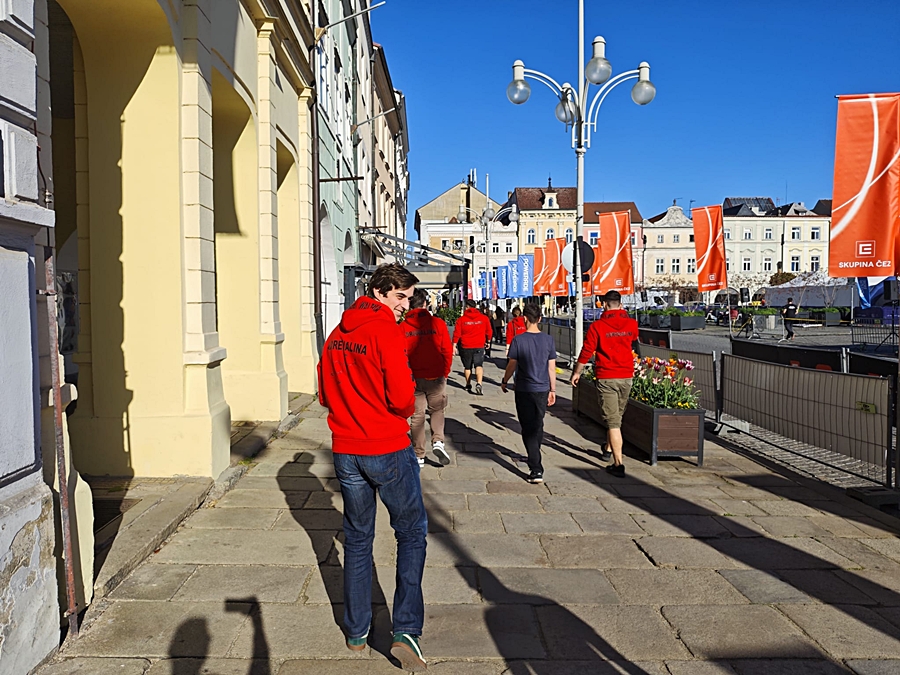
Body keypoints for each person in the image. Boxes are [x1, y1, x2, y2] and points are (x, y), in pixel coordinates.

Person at [317, 263, 428, 670]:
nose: (406, 305)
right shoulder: (385, 332)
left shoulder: (336, 334)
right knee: (411, 532)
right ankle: (406, 630)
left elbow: (324, 393)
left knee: (358, 538)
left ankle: (356, 631)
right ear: (379, 293)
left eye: (409, 297)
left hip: (346, 449)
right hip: (386, 447)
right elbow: (402, 400)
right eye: (400, 296)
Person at [570, 290, 639, 478]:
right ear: (620, 304)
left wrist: (577, 372)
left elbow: (587, 351)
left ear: (604, 304)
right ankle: (608, 449)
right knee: (616, 416)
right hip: (626, 376)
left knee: (613, 421)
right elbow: (633, 341)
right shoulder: (632, 324)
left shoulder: (597, 327)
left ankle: (618, 464)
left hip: (607, 376)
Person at [501, 303, 557, 484]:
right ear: (540, 319)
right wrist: (553, 389)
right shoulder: (548, 340)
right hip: (542, 388)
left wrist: (505, 380)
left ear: (524, 319)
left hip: (524, 389)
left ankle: (536, 468)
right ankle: (535, 454)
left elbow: (512, 364)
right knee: (538, 424)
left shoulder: (518, 340)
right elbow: (551, 367)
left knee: (527, 427)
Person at [403, 288, 453, 468]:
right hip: (435, 375)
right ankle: (438, 441)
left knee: (417, 415)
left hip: (414, 377)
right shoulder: (437, 323)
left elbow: (400, 355)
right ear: (425, 303)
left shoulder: (402, 327)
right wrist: (445, 372)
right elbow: (446, 350)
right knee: (437, 410)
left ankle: (419, 455)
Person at [452, 299, 493, 395]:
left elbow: (457, 334)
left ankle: (468, 384)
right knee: (479, 365)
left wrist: (454, 345)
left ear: (467, 307)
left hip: (466, 346)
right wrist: (488, 341)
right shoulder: (484, 318)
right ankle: (479, 383)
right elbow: (489, 331)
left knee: (467, 367)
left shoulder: (461, 320)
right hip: (479, 345)